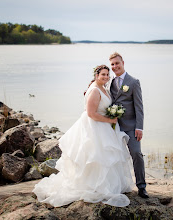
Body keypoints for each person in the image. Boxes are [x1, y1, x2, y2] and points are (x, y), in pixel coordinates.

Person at [33, 65, 134, 207]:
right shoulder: (94, 90)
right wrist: (110, 120)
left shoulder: (103, 88)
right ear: (96, 75)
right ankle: (95, 185)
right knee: (96, 157)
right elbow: (91, 114)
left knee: (106, 158)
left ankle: (108, 185)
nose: (105, 77)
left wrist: (112, 115)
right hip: (95, 128)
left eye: (107, 75)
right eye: (103, 75)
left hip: (104, 127)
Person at [108, 52, 149, 198]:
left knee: (137, 154)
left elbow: (139, 106)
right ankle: (115, 185)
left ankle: (142, 186)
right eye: (112, 64)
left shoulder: (133, 82)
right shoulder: (110, 82)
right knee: (113, 156)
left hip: (131, 126)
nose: (115, 66)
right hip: (114, 127)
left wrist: (139, 127)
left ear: (123, 63)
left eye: (117, 63)